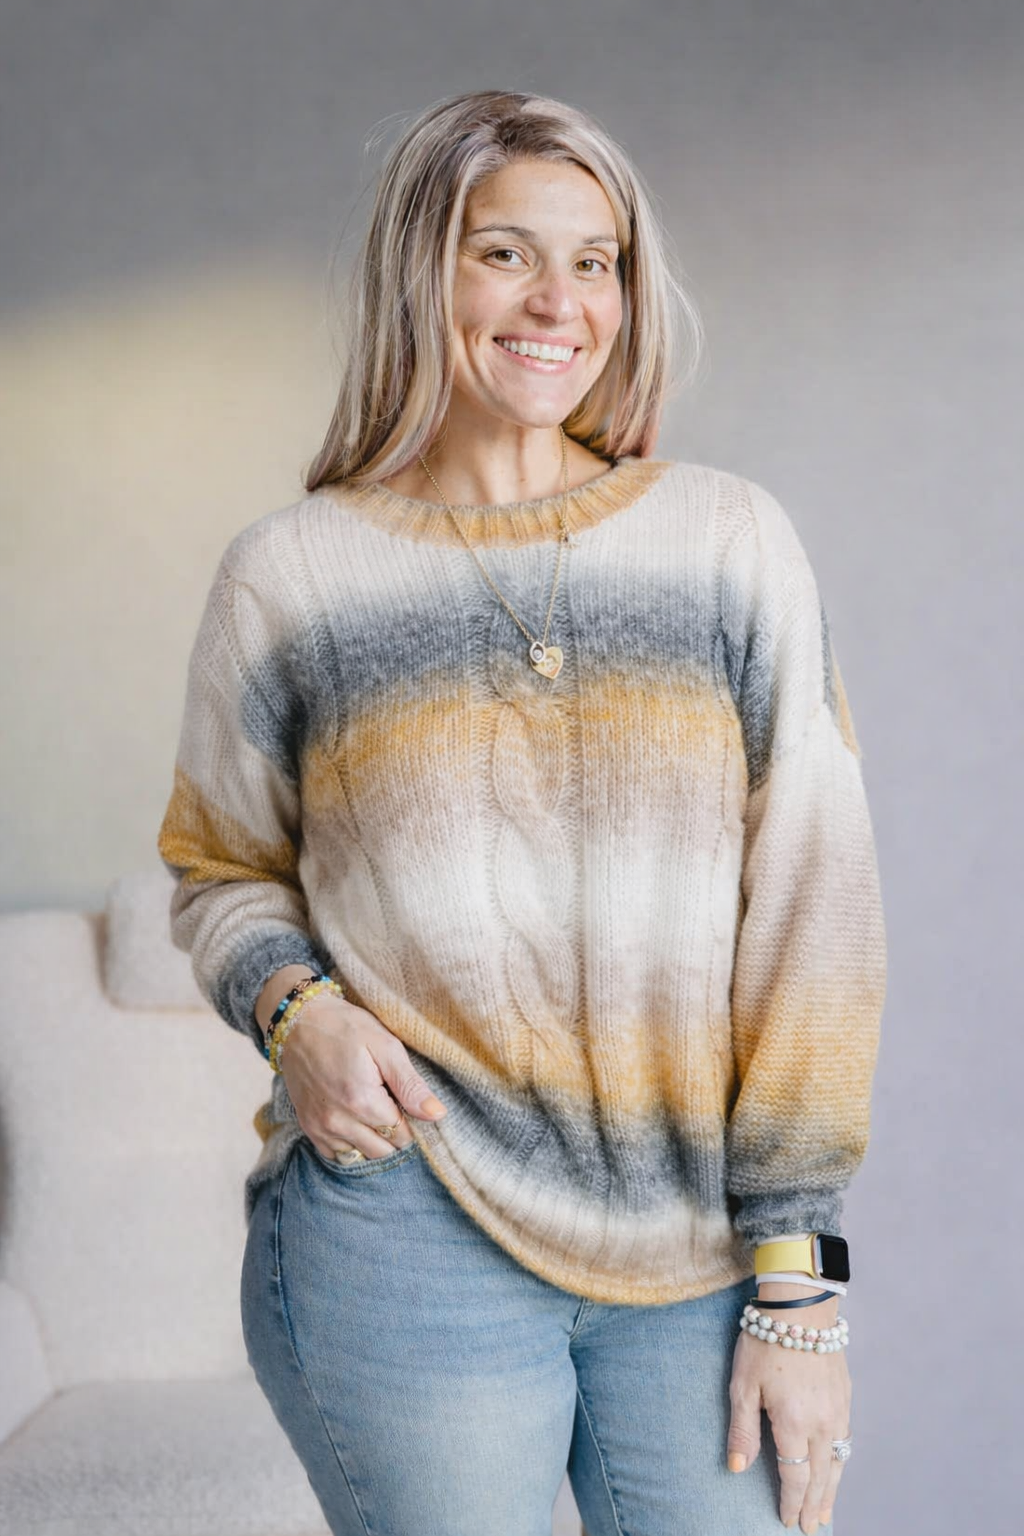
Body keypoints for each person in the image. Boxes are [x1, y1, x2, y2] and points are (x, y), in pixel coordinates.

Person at [157, 89, 886, 1536]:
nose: (560, 302)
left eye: (595, 261)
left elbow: (818, 916)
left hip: (695, 1243)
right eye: (505, 254)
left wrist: (799, 1288)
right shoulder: (292, 578)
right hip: (405, 1224)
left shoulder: (726, 545)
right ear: (421, 273)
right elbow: (219, 870)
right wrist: (299, 1013)